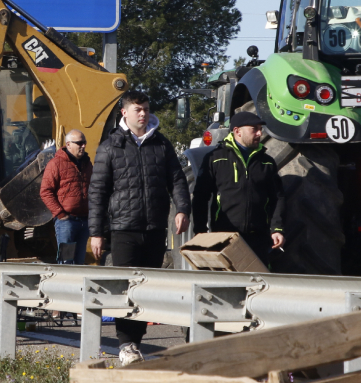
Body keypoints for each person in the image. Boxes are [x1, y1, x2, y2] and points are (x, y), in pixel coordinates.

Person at [88, 91, 191, 366]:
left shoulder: (161, 144)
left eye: (146, 109)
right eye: (137, 109)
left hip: (155, 227)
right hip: (123, 229)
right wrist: (96, 232)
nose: (143, 114)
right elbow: (97, 191)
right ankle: (125, 344)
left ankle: (135, 343)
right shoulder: (111, 146)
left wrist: (182, 209)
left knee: (148, 290)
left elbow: (177, 179)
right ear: (124, 112)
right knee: (127, 289)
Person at [191, 111, 286, 264]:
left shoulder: (267, 163)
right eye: (254, 129)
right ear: (237, 131)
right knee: (227, 283)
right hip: (224, 238)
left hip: (259, 240)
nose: (259, 133)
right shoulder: (216, 159)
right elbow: (201, 197)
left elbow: (277, 198)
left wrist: (277, 229)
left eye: (260, 129)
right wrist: (200, 231)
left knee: (258, 284)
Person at [40, 129, 93, 265]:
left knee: (79, 262)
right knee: (66, 262)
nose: (83, 146)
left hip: (84, 221)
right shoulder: (55, 164)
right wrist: (60, 213)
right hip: (66, 222)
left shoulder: (87, 164)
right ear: (68, 144)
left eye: (84, 142)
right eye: (79, 143)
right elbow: (45, 191)